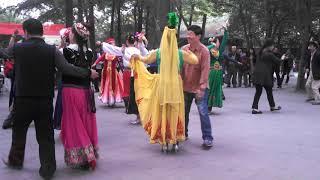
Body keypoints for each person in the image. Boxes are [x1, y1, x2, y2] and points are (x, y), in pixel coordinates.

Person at [1, 18, 98, 179]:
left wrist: (12, 39)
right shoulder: (51, 50)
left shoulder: (18, 48)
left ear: (25, 32)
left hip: (23, 99)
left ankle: (16, 160)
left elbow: (3, 53)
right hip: (45, 100)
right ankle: (48, 168)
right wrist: (88, 73)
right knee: (45, 136)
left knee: (19, 132)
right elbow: (67, 68)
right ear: (42, 32)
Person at [131, 12, 199, 152]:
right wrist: (189, 50)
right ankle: (173, 139)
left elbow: (145, 59)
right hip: (175, 85)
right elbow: (195, 61)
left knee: (162, 111)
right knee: (175, 111)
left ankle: (163, 138)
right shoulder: (181, 53)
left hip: (162, 85)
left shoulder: (159, 52)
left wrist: (137, 57)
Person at [59, 23, 99, 170]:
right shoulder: (89, 52)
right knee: (86, 121)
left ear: (73, 35)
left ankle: (83, 156)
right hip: (86, 91)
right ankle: (89, 152)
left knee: (74, 123)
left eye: (70, 33)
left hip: (70, 91)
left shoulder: (65, 51)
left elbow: (64, 69)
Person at [102, 33, 148, 125]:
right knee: (137, 93)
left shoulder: (124, 50)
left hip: (128, 73)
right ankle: (140, 115)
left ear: (127, 41)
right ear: (134, 41)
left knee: (129, 93)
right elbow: (146, 54)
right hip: (138, 73)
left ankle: (137, 115)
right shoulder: (138, 50)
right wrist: (141, 44)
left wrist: (102, 44)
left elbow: (112, 49)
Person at [181, 25, 214, 148]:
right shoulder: (183, 49)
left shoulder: (204, 51)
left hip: (199, 87)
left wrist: (202, 88)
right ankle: (183, 133)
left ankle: (207, 138)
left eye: (191, 34)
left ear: (198, 36)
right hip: (185, 86)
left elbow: (205, 70)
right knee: (183, 112)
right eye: (188, 34)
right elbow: (180, 68)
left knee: (203, 112)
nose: (188, 36)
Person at [251, 39, 282, 114]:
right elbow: (278, 61)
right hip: (264, 76)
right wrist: (283, 58)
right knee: (266, 91)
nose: (273, 47)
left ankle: (271, 106)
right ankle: (255, 109)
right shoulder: (269, 54)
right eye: (272, 46)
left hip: (258, 74)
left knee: (263, 91)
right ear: (269, 46)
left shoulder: (260, 52)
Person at [91, 37, 124, 106]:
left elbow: (121, 59)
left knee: (114, 85)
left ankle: (114, 98)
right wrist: (94, 64)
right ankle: (108, 99)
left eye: (114, 44)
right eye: (112, 44)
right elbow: (99, 59)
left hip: (114, 73)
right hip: (106, 72)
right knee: (107, 85)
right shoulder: (105, 53)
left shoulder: (116, 53)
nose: (114, 45)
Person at [207, 29, 228, 111]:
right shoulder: (209, 49)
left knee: (215, 88)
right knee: (211, 88)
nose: (219, 43)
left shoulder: (218, 50)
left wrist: (226, 32)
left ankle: (210, 106)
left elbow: (224, 41)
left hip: (217, 72)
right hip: (212, 72)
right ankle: (208, 106)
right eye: (218, 41)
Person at [305, 41, 320, 105]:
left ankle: (318, 100)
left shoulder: (318, 54)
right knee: (307, 85)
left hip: (317, 73)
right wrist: (307, 67)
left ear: (315, 47)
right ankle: (311, 97)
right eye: (309, 46)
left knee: (315, 87)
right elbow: (308, 61)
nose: (309, 47)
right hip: (311, 72)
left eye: (311, 46)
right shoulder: (311, 53)